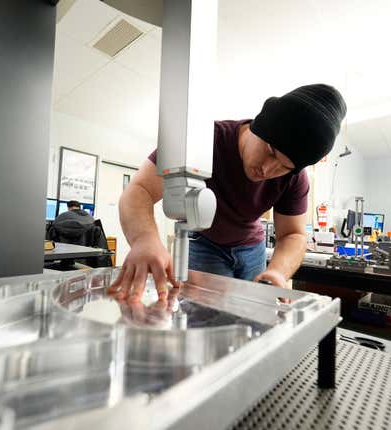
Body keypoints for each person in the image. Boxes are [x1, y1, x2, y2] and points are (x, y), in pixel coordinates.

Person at [110, 84, 347, 302]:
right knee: (202, 317)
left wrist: (278, 271)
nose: (267, 169)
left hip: (252, 248)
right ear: (258, 126)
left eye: (284, 167)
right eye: (271, 152)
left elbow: (293, 235)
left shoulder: (295, 178)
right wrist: (145, 240)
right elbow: (139, 190)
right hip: (205, 242)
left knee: (252, 316)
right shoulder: (202, 140)